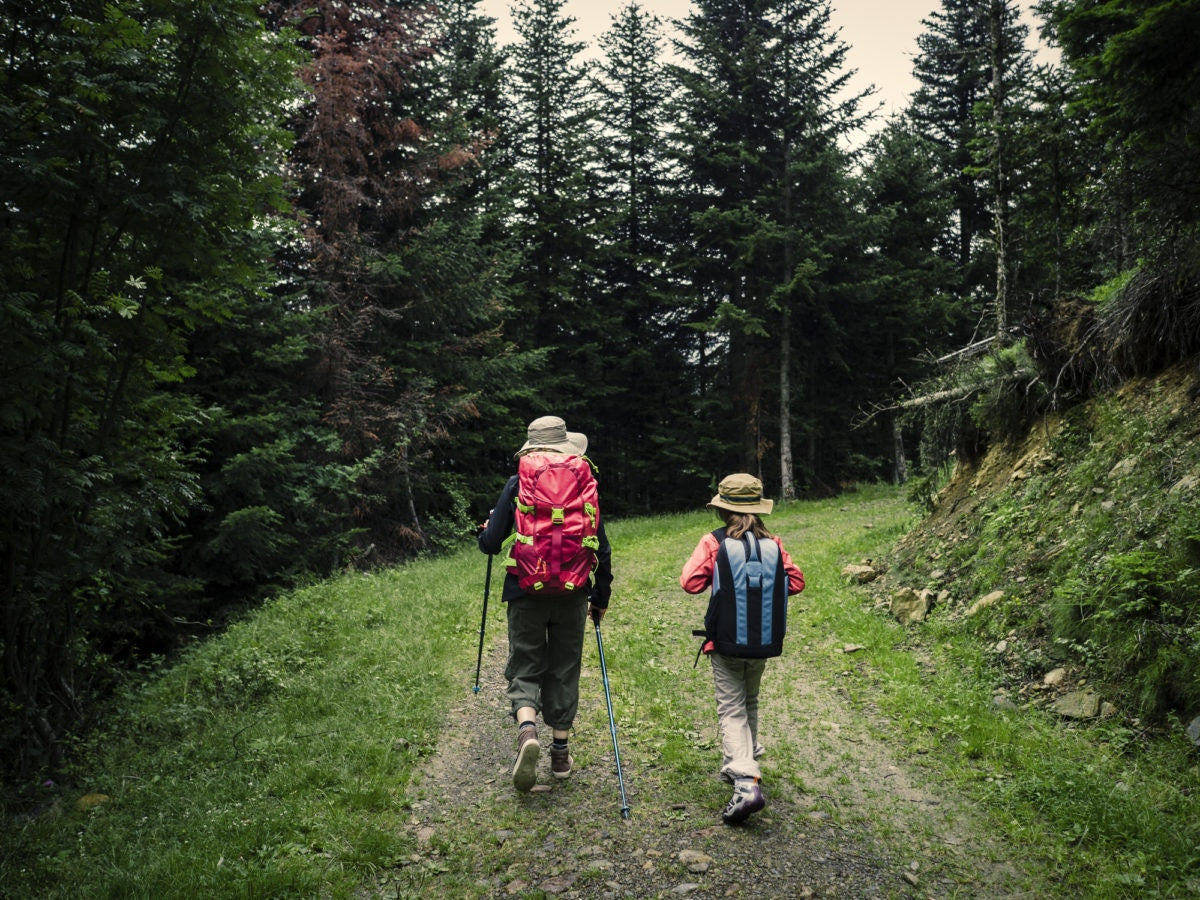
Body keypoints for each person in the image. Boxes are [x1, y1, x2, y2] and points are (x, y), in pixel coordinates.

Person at [478, 415, 613, 792]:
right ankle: (559, 754)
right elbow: (600, 545)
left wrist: (487, 530)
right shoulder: (585, 484)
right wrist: (600, 595)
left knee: (526, 663)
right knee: (564, 667)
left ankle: (526, 732)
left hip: (525, 590)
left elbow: (491, 544)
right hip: (573, 592)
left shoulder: (517, 483)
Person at [680, 473, 805, 824]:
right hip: (764, 641)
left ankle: (746, 782)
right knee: (749, 700)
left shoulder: (714, 542)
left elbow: (689, 582)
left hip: (725, 641)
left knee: (731, 708)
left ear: (722, 509)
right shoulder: (773, 542)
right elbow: (796, 581)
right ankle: (741, 762)